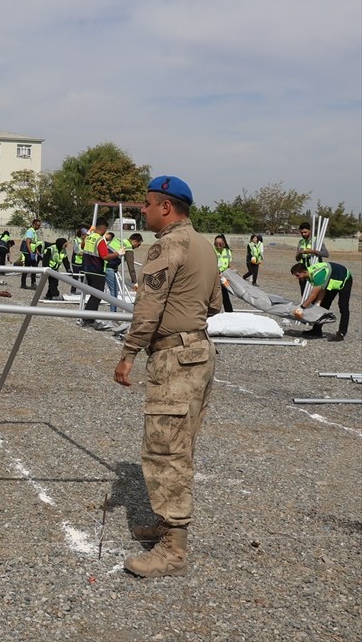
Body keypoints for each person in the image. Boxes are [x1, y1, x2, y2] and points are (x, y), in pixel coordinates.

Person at [113, 175, 221, 578]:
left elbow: (148, 307)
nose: (142, 211)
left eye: (146, 204)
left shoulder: (169, 245)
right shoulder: (205, 246)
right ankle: (165, 528)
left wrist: (128, 354)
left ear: (165, 207)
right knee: (181, 444)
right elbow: (213, 305)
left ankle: (172, 550)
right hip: (199, 352)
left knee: (165, 451)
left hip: (175, 358)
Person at [292, 261, 351, 341]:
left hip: (344, 279)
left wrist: (301, 307)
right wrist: (318, 303)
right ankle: (316, 330)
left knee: (343, 306)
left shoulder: (317, 275)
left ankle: (341, 333)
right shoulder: (309, 274)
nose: (297, 277)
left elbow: (313, 295)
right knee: (324, 304)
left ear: (304, 271)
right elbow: (322, 289)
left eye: (298, 275)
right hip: (332, 280)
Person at [78, 217, 116, 326]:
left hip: (87, 269)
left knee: (93, 295)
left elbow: (82, 246)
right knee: (97, 295)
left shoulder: (89, 237)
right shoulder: (100, 240)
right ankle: (88, 318)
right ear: (104, 228)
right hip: (96, 271)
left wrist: (89, 233)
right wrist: (119, 253)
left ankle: (87, 317)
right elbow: (105, 256)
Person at [293, 222, 328, 292]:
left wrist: (312, 251)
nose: (303, 234)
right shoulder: (301, 242)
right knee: (304, 293)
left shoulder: (317, 241)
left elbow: (326, 254)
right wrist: (300, 253)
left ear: (310, 230)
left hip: (315, 271)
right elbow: (297, 259)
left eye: (305, 232)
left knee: (314, 294)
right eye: (302, 233)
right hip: (303, 271)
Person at [213, 234, 234, 312]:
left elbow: (229, 264)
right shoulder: (212, 251)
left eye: (220, 244)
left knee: (225, 296)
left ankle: (229, 312)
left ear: (224, 243)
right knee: (214, 296)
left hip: (224, 277)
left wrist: (231, 272)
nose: (218, 246)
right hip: (214, 277)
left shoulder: (228, 252)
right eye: (216, 244)